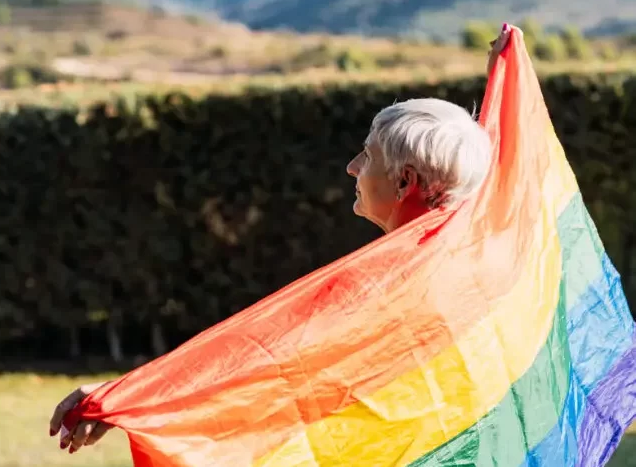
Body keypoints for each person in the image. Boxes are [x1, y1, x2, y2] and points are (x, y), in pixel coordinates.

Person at [49, 23, 512, 454]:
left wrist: (129, 398)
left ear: (405, 181)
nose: (352, 167)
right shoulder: (477, 245)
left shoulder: (384, 290)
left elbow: (258, 362)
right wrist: (505, 76)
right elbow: (501, 156)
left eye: (367, 156)